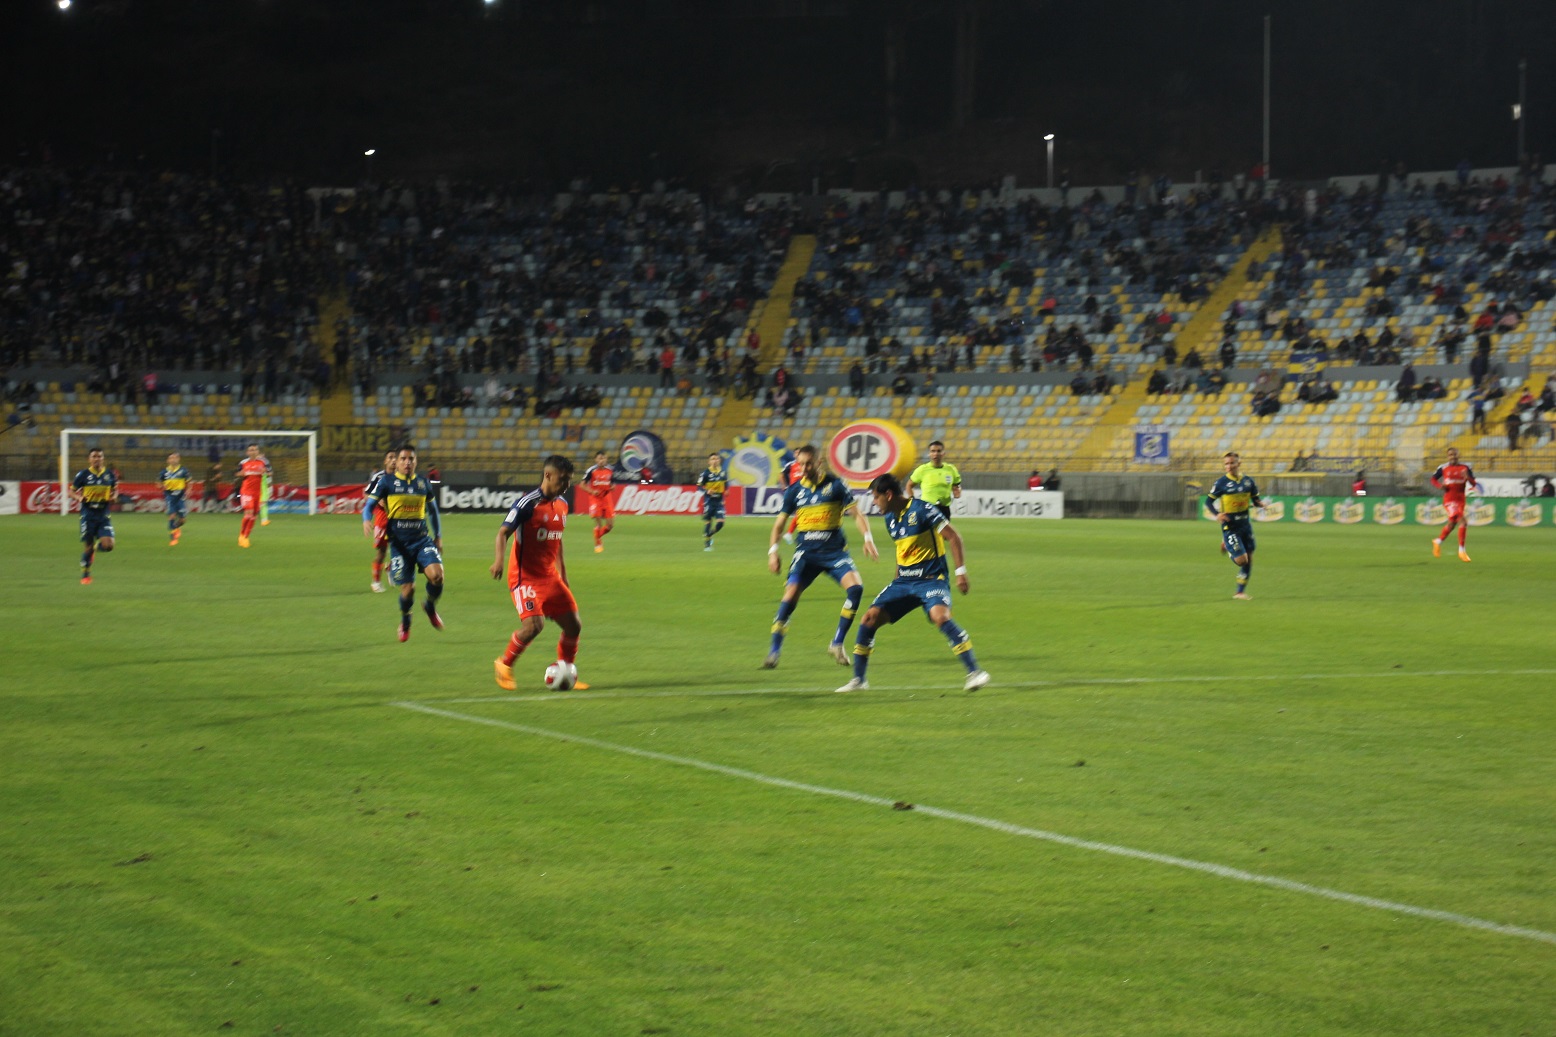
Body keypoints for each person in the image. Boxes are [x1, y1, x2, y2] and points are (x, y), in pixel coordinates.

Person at [835, 473, 989, 694]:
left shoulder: (923, 510)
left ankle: (975, 672)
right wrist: (897, 579)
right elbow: (902, 550)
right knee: (869, 618)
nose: (874, 503)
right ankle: (859, 680)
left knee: (940, 617)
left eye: (876, 497)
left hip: (930, 580)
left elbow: (954, 537)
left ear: (888, 495)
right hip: (904, 582)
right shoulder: (890, 518)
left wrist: (960, 572)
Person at [762, 444, 880, 669]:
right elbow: (779, 524)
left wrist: (867, 538)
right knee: (790, 597)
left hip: (834, 552)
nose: (804, 468)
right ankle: (774, 652)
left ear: (818, 462)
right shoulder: (795, 490)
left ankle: (837, 643)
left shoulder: (835, 485)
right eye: (801, 464)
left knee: (856, 589)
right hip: (806, 554)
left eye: (808, 464)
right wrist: (773, 552)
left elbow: (857, 514)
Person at [491, 455, 584, 691]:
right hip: (525, 577)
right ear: (548, 475)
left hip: (550, 576)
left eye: (569, 481)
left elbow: (557, 539)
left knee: (574, 625)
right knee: (534, 625)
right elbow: (503, 533)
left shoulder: (562, 505)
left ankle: (566, 670)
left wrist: (563, 572)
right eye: (563, 480)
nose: (566, 485)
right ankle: (504, 665)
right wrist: (499, 561)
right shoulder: (527, 504)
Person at [362, 444, 445, 641]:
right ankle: (406, 620)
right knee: (408, 590)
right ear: (396, 462)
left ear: (416, 462)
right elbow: (369, 506)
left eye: (411, 459)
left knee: (437, 576)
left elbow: (433, 512)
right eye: (403, 459)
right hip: (399, 545)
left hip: (422, 540)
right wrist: (366, 518)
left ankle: (430, 606)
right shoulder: (387, 483)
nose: (407, 462)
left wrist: (438, 535)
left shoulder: (424, 484)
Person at [1205, 451, 1263, 600]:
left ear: (1239, 463)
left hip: (1245, 524)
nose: (1229, 466)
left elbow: (1255, 498)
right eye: (1226, 464)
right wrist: (1217, 514)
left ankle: (1240, 592)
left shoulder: (1248, 481)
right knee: (1241, 560)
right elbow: (1208, 501)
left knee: (1249, 557)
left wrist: (1259, 504)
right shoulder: (1221, 483)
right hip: (1230, 526)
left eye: (1231, 463)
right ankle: (1229, 546)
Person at [70, 447, 118, 585]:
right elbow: (71, 491)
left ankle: (98, 547)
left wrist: (114, 496)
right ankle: (85, 573)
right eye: (94, 456)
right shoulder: (83, 475)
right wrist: (78, 498)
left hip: (103, 514)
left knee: (109, 546)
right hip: (88, 515)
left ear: (103, 459)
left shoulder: (109, 475)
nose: (97, 459)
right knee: (88, 547)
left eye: (100, 456)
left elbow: (115, 489)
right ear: (89, 459)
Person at [1430, 447, 1481, 563]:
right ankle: (1461, 551)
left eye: (1454, 454)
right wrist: (1440, 486)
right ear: (1448, 456)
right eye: (1450, 455)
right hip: (1449, 500)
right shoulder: (1443, 468)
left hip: (1460, 500)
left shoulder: (1465, 468)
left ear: (1459, 455)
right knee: (1463, 521)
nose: (1452, 456)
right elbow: (1433, 479)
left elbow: (1474, 483)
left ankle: (1438, 541)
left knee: (1452, 524)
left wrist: (1467, 476)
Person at [363, 450, 397, 592]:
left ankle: (391, 567)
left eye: (395, 457)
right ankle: (375, 582)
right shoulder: (379, 477)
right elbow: (366, 494)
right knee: (382, 551)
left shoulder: (402, 476)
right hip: (382, 518)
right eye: (390, 457)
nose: (394, 460)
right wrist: (378, 500)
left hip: (398, 518)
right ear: (385, 461)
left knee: (403, 549)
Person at [908, 440, 961, 522]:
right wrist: (912, 500)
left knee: (944, 534)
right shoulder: (922, 469)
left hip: (944, 509)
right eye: (933, 451)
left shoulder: (951, 469)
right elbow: (909, 485)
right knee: (927, 534)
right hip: (926, 508)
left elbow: (956, 485)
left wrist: (956, 491)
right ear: (929, 454)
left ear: (943, 453)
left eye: (939, 451)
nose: (936, 454)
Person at [233, 443, 271, 548]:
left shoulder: (262, 463)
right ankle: (242, 536)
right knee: (248, 514)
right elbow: (236, 473)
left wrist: (265, 472)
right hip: (246, 491)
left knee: (254, 516)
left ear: (258, 451)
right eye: (251, 450)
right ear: (247, 452)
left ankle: (246, 536)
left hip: (257, 492)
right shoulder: (243, 463)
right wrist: (242, 473)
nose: (253, 451)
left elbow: (269, 473)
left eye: (255, 449)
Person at [581, 450, 617, 553]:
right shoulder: (591, 471)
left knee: (610, 526)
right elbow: (582, 485)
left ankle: (597, 534)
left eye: (604, 458)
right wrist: (592, 491)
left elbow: (613, 483)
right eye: (600, 458)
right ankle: (598, 543)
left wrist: (613, 487)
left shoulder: (610, 470)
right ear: (596, 460)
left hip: (607, 498)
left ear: (606, 459)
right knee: (598, 521)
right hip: (595, 499)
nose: (602, 460)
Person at [695, 452, 728, 551]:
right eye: (713, 459)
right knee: (708, 522)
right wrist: (707, 491)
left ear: (719, 461)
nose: (715, 460)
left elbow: (726, 485)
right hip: (709, 501)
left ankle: (709, 534)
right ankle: (707, 545)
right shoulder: (705, 473)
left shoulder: (723, 473)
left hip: (719, 502)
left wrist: (726, 491)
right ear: (709, 462)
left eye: (716, 459)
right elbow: (698, 487)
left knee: (721, 523)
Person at [781, 446, 811, 545]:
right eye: (797, 453)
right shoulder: (791, 465)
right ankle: (790, 533)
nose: (798, 455)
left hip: (805, 490)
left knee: (804, 512)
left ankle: (798, 534)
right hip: (795, 492)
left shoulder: (805, 465)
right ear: (794, 454)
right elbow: (781, 474)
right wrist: (785, 486)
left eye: (800, 453)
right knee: (801, 512)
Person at [159, 452, 190, 546]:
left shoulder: (183, 470)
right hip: (169, 496)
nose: (173, 460)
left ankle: (176, 527)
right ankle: (173, 538)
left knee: (183, 520)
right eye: (171, 458)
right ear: (168, 460)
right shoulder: (164, 472)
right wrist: (162, 487)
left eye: (175, 458)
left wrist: (188, 490)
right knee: (171, 515)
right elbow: (159, 482)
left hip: (180, 496)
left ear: (178, 459)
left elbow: (189, 482)